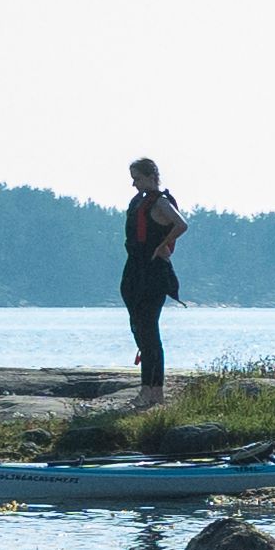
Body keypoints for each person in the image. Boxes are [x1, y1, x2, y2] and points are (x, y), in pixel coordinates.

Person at [118, 157, 188, 397]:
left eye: (137, 179)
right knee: (139, 328)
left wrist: (162, 246)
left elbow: (181, 224)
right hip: (135, 271)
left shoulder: (160, 202)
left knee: (149, 331)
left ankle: (153, 389)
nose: (134, 184)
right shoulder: (138, 202)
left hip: (153, 272)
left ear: (150, 177)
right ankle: (148, 388)